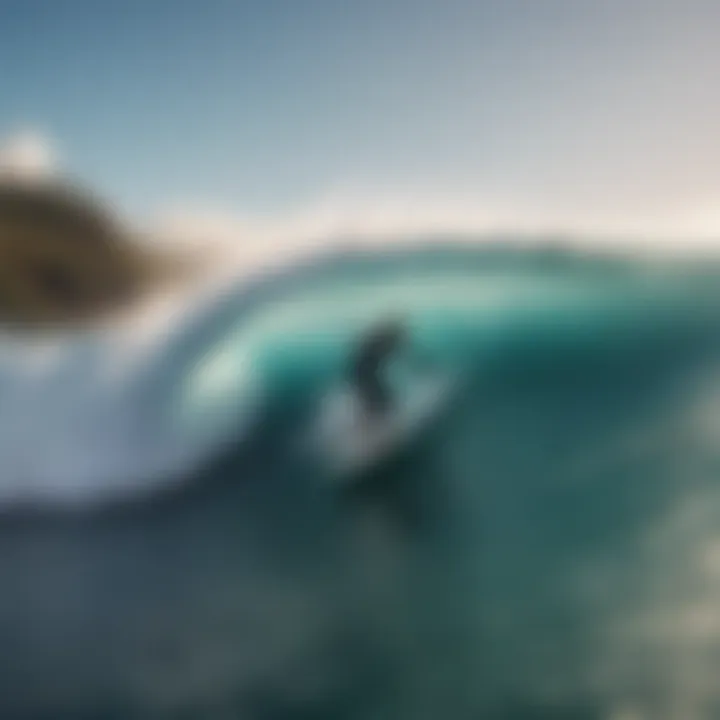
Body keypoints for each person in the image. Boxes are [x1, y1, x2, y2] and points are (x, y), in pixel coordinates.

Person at [348, 317, 409, 420]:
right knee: (377, 399)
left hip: (363, 369)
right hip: (362, 370)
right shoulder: (383, 341)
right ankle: (370, 415)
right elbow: (365, 365)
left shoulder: (381, 340)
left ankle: (371, 411)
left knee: (375, 397)